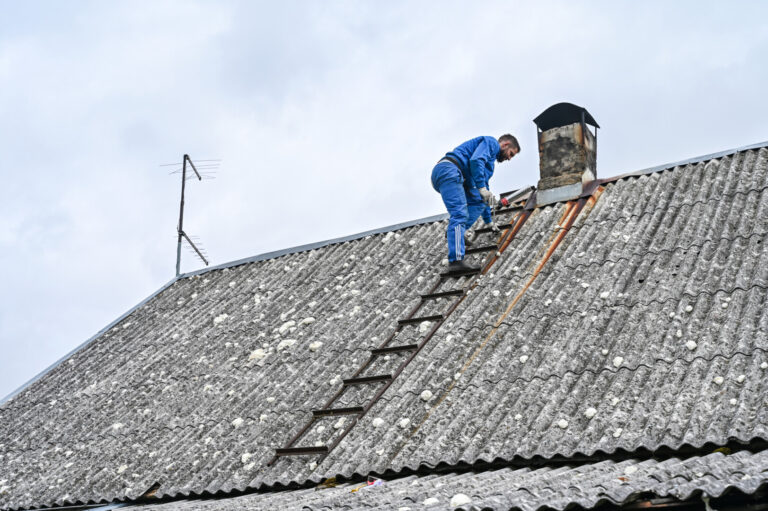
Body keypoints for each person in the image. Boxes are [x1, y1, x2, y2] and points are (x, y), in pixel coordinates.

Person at [431, 134, 520, 273]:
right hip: (449, 170)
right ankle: (456, 262)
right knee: (459, 214)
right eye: (511, 154)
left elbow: (483, 193)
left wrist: (489, 221)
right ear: (505, 144)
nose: (509, 158)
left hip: (458, 176)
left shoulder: (489, 164)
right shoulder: (491, 143)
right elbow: (476, 160)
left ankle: (456, 233)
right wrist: (482, 188)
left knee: (479, 201)